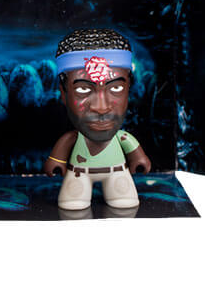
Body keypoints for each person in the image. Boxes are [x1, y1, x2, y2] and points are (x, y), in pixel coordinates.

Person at [44, 28, 151, 210]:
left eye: (116, 88)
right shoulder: (74, 138)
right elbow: (62, 148)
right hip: (79, 174)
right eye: (83, 90)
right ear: (63, 92)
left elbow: (131, 146)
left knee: (124, 199)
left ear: (129, 89)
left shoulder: (121, 137)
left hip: (117, 173)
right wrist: (57, 161)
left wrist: (139, 159)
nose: (101, 107)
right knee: (73, 202)